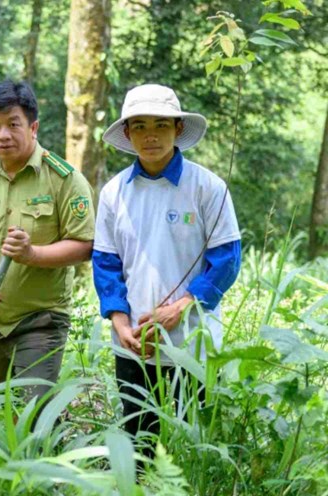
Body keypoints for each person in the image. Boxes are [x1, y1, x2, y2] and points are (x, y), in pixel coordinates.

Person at [93, 84, 241, 445]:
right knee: (139, 442)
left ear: (177, 128)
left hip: (193, 343)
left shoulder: (208, 187)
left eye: (160, 125)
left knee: (194, 445)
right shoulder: (114, 192)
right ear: (127, 134)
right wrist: (120, 321)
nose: (150, 136)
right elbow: (105, 263)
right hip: (132, 345)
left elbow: (227, 259)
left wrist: (181, 306)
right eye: (140, 126)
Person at [0, 80, 94, 403]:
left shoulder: (64, 179)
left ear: (33, 127)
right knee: (10, 406)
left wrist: (32, 254)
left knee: (32, 407)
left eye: (13, 124)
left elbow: (84, 245)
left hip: (41, 319)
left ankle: (49, 448)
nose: (3, 135)